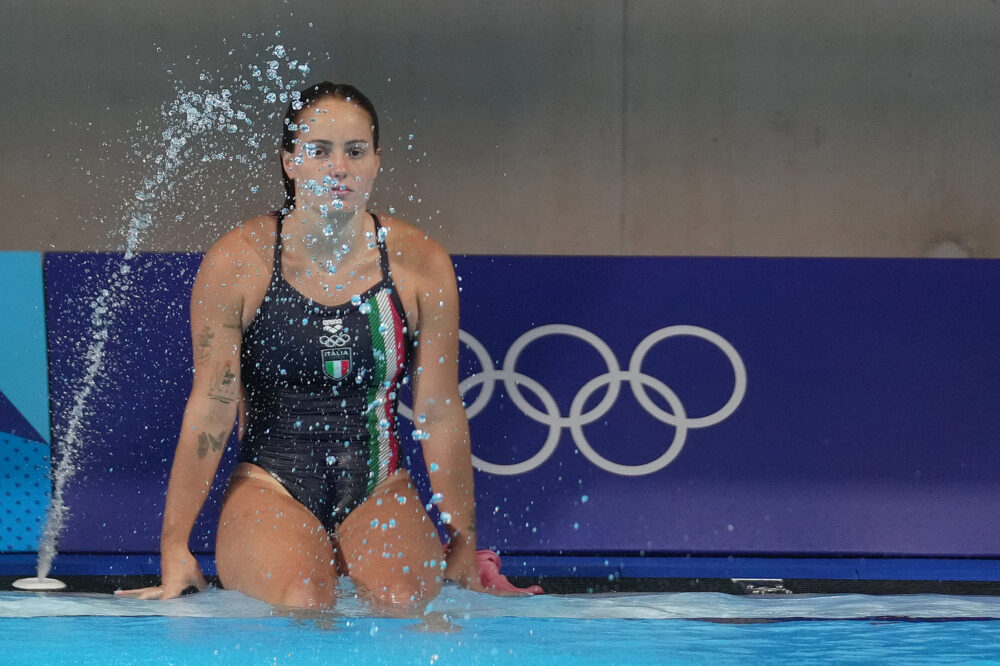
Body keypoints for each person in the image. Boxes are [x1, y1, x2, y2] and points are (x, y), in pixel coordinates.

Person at [118, 82, 539, 611]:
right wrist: (174, 547)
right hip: (270, 483)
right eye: (319, 151)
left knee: (405, 600)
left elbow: (438, 410)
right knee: (304, 598)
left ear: (376, 162)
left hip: (379, 484)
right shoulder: (240, 261)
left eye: (355, 151)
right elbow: (211, 409)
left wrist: (463, 542)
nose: (339, 167)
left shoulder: (419, 264)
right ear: (291, 162)